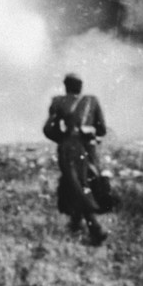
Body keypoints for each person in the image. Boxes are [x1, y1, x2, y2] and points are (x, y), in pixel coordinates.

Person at [43, 73, 108, 245]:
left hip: (69, 147)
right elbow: (102, 129)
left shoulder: (58, 102)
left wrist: (63, 137)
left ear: (66, 86)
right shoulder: (91, 101)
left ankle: (91, 226)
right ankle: (81, 223)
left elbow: (48, 129)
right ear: (81, 86)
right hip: (88, 147)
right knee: (83, 182)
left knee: (74, 182)